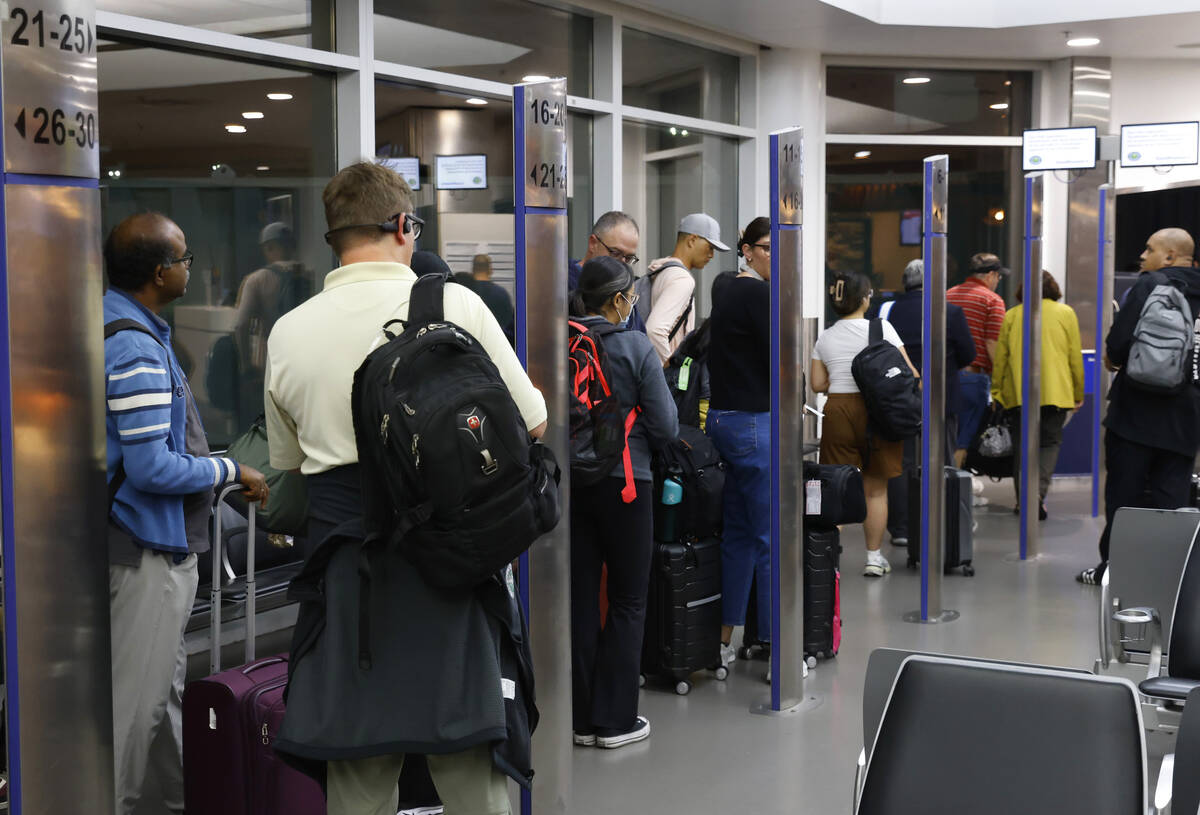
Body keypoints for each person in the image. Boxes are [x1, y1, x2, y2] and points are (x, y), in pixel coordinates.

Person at [265, 162, 547, 815]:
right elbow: (531, 420)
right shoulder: (454, 304)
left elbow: (289, 461)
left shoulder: (289, 331)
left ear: (333, 237)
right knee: (470, 764)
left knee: (360, 772)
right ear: (403, 226)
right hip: (449, 564)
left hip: (347, 574)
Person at [103, 212, 269, 815]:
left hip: (147, 543)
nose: (189, 267)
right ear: (159, 272)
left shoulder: (117, 323)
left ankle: (185, 802)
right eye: (184, 257)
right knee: (134, 710)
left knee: (164, 695)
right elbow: (152, 469)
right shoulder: (133, 344)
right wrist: (231, 470)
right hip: (146, 548)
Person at [569, 256, 678, 749]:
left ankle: (580, 717)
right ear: (617, 300)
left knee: (581, 598)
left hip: (572, 485)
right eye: (631, 295)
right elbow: (667, 427)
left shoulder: (559, 341)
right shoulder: (635, 347)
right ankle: (615, 721)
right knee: (629, 599)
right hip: (628, 486)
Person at [1080, 228, 1200, 585]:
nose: (1142, 256)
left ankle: (1113, 572)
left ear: (1168, 256)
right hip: (1187, 421)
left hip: (1135, 417)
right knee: (1173, 503)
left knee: (1124, 499)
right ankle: (1170, 578)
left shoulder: (1150, 285)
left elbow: (1117, 346)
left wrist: (1115, 357)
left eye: (1149, 249)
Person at [811, 271, 917, 577]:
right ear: (866, 298)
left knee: (836, 488)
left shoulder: (826, 336)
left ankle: (828, 560)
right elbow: (909, 372)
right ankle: (873, 558)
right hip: (878, 412)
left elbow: (818, 384)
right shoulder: (881, 328)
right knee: (875, 490)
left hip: (838, 410)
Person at [867, 259, 975, 547]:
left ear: (906, 282)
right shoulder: (949, 312)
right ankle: (943, 521)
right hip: (940, 399)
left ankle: (901, 528)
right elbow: (967, 354)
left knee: (899, 464)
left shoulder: (885, 309)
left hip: (894, 401)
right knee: (941, 459)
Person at [707, 217, 771, 666]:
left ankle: (722, 640)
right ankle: (773, 644)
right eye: (768, 248)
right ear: (746, 249)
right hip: (754, 423)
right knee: (771, 538)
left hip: (723, 419)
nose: (777, 256)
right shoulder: (758, 293)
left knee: (740, 536)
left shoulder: (722, 286)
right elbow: (779, 360)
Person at [991, 270, 1083, 521]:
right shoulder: (1066, 314)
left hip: (1019, 396)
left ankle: (1023, 501)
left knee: (1023, 449)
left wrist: (997, 391)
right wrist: (1077, 392)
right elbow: (1074, 357)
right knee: (1049, 445)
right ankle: (1037, 497)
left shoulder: (1012, 315)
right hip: (1057, 394)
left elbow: (1001, 359)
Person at [946, 253, 1008, 467]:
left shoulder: (947, 295)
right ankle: (952, 493)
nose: (998, 282)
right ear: (991, 275)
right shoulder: (992, 301)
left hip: (943, 377)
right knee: (963, 442)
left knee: (944, 437)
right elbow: (993, 345)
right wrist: (1000, 382)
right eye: (999, 277)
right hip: (972, 378)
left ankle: (937, 490)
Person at [644, 213, 731, 364]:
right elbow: (654, 330)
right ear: (692, 240)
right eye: (710, 247)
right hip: (660, 377)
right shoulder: (682, 279)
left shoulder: (662, 270)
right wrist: (668, 369)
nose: (711, 255)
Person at [570, 211, 640, 291]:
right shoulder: (562, 283)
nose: (622, 265)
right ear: (593, 244)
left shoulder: (625, 289)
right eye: (616, 253)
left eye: (629, 258)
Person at [470, 253, 515, 341]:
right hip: (495, 343)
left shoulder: (466, 292)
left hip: (471, 346)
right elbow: (510, 327)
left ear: (473, 270)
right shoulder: (502, 293)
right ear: (490, 270)